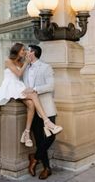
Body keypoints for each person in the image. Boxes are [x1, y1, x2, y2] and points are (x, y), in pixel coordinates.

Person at [0, 43, 62, 148]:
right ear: (17, 51)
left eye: (26, 50)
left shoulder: (24, 63)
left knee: (30, 104)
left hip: (19, 86)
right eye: (22, 50)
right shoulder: (8, 61)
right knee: (33, 95)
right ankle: (47, 122)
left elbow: (48, 85)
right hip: (10, 86)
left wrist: (26, 62)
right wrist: (27, 62)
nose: (24, 52)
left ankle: (26, 133)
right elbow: (19, 74)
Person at [23, 44, 60, 180]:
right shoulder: (25, 68)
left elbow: (51, 86)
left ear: (33, 53)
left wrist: (34, 90)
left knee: (51, 136)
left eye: (27, 51)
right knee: (39, 140)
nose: (26, 53)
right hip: (33, 110)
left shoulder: (46, 67)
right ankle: (46, 168)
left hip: (46, 107)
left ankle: (35, 157)